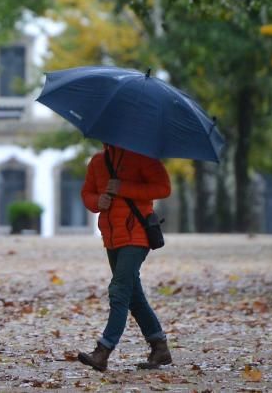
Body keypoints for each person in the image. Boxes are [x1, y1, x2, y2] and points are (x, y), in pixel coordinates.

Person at [77, 142, 172, 372]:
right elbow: (87, 193)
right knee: (133, 295)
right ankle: (159, 347)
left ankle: (103, 350)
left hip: (137, 235)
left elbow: (163, 188)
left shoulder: (142, 157)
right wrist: (97, 201)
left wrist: (123, 188)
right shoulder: (98, 161)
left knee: (119, 290)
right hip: (111, 237)